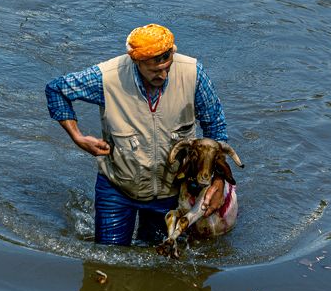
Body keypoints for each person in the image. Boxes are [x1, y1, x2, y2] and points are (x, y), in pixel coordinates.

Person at [45, 23, 230, 245]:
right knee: (108, 256)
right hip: (117, 188)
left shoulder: (193, 74)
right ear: (136, 62)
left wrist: (218, 181)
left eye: (167, 66)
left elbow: (216, 127)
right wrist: (78, 137)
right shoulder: (106, 77)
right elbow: (56, 89)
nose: (163, 75)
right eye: (155, 70)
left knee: (161, 254)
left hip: (171, 191)